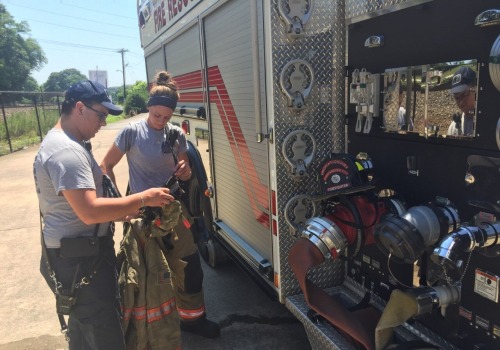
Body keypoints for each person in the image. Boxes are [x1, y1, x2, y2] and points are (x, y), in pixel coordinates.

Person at [33, 80, 174, 350]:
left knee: (83, 330)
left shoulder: (64, 143)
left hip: (74, 255)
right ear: (79, 108)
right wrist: (144, 198)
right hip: (81, 261)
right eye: (101, 115)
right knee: (104, 332)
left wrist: (122, 211)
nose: (103, 123)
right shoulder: (67, 151)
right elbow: (89, 211)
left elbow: (86, 206)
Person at [100, 71, 221, 342]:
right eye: (157, 116)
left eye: (167, 117)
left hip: (172, 211)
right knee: (144, 275)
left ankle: (193, 320)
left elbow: (186, 171)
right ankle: (142, 332)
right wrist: (122, 205)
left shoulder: (175, 134)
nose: (162, 122)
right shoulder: (131, 133)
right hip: (142, 213)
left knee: (189, 266)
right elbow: (105, 166)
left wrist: (186, 170)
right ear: (149, 108)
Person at [447, 66, 476, 136]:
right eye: (457, 98)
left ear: (476, 89)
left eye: (464, 95)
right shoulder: (454, 127)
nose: (460, 102)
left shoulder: (491, 125)